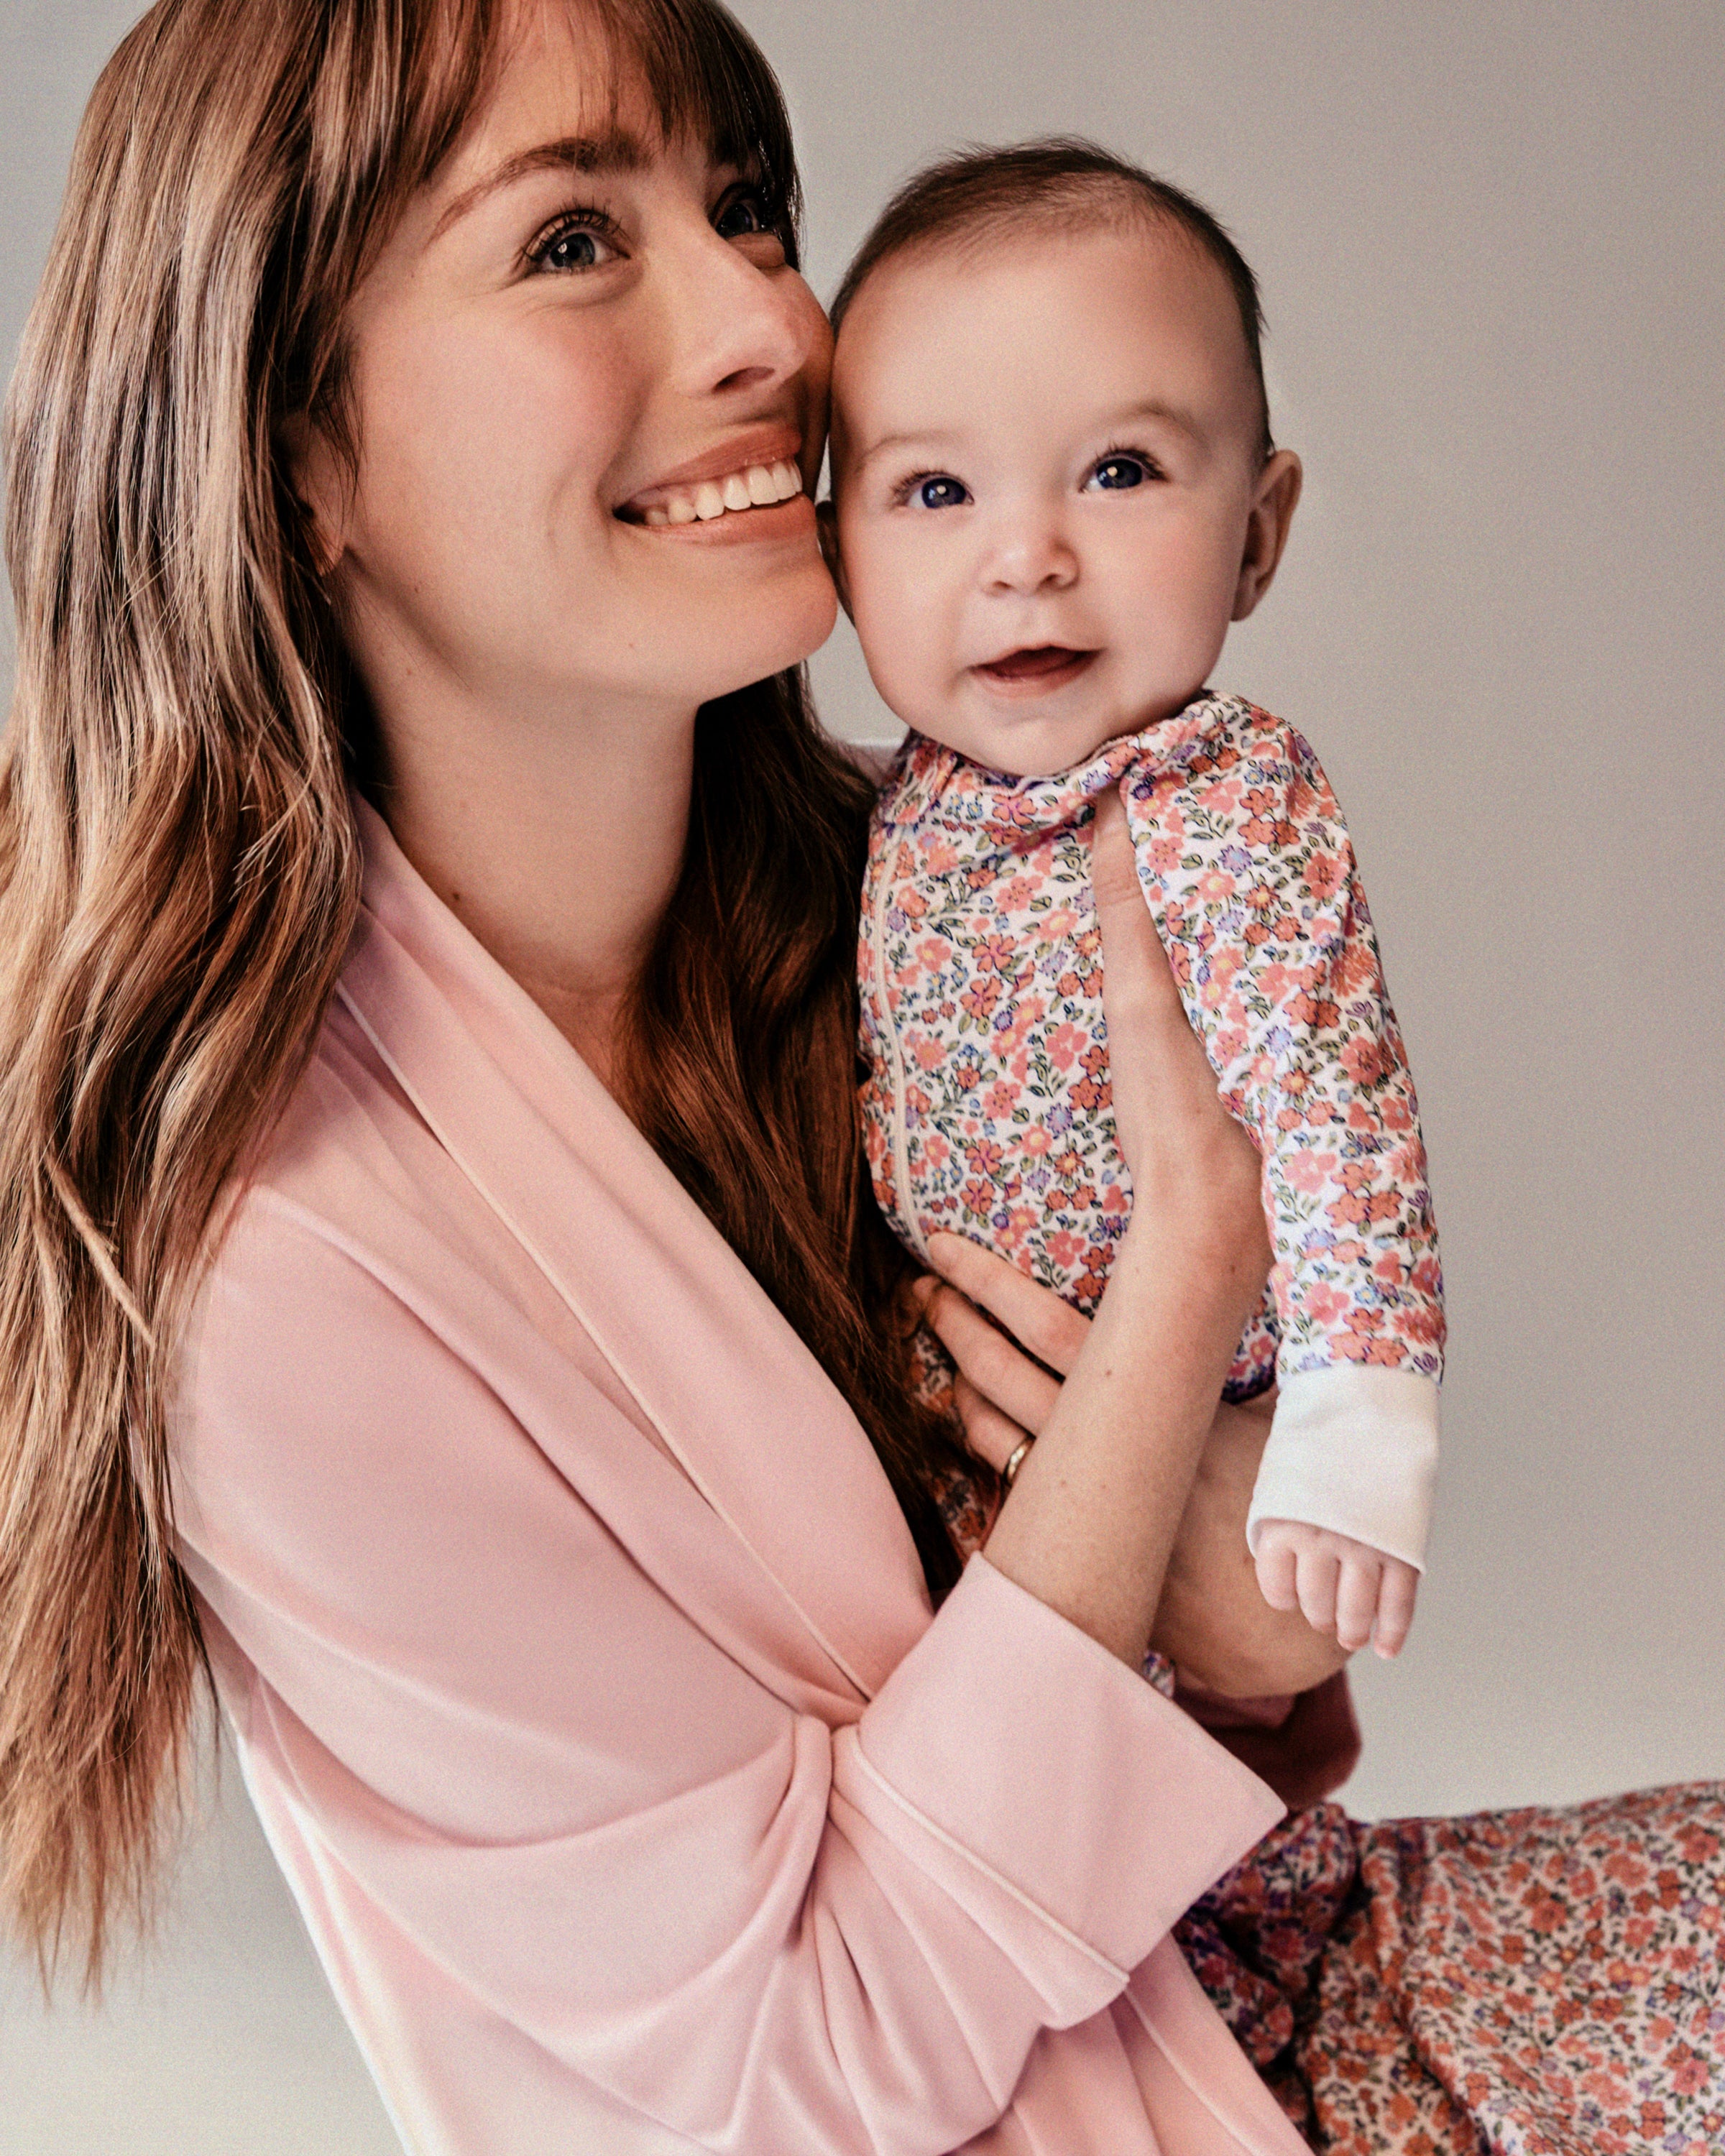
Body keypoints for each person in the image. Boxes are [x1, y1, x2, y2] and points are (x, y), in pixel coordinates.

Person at [0, 4, 1718, 2155]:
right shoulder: (282, 1280)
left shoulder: (918, 911)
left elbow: (1196, 1705)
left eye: (744, 210)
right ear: (294, 453)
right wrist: (1184, 1296)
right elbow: (794, 2078)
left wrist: (1242, 1622)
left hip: (1277, 1992)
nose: (768, 322)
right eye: (568, 243)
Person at [829, 143, 1440, 1664]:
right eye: (935, 489)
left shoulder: (1219, 790)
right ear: (839, 546)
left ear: (1259, 531)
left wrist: (1358, 1430)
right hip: (948, 1454)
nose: (1027, 558)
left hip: (1187, 1442)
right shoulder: (896, 802)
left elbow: (1329, 1105)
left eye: (1120, 473)